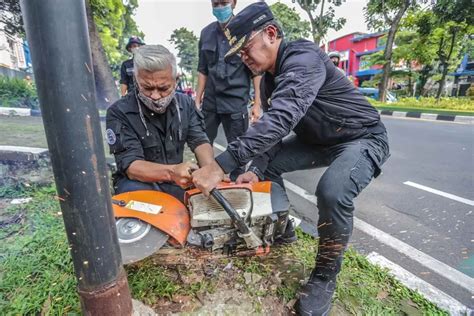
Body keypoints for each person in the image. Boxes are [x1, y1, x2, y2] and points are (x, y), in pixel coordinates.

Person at [191, 3, 390, 315]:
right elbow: (271, 130)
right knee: (263, 165)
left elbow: (284, 117)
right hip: (317, 140)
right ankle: (283, 231)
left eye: (246, 49)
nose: (244, 59)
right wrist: (255, 168)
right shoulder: (271, 79)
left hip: (360, 136)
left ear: (271, 34)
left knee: (332, 192)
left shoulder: (303, 58)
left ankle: (325, 275)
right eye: (239, 55)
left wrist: (220, 164)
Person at [106, 45, 214, 202]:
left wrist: (209, 170)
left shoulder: (186, 104)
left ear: (175, 80)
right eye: (147, 88)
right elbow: (131, 165)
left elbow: (200, 141)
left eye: (163, 88)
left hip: (176, 182)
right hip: (137, 184)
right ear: (136, 80)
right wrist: (171, 172)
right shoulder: (119, 112)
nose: (155, 96)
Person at [195, 0, 262, 179]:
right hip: (210, 101)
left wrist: (257, 103)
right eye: (215, 3)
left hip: (235, 102)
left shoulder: (246, 31)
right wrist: (197, 99)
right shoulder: (206, 33)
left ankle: (236, 184)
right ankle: (206, 177)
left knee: (238, 147)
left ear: (233, 3)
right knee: (202, 141)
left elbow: (256, 71)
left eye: (223, 3)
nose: (219, 7)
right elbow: (202, 70)